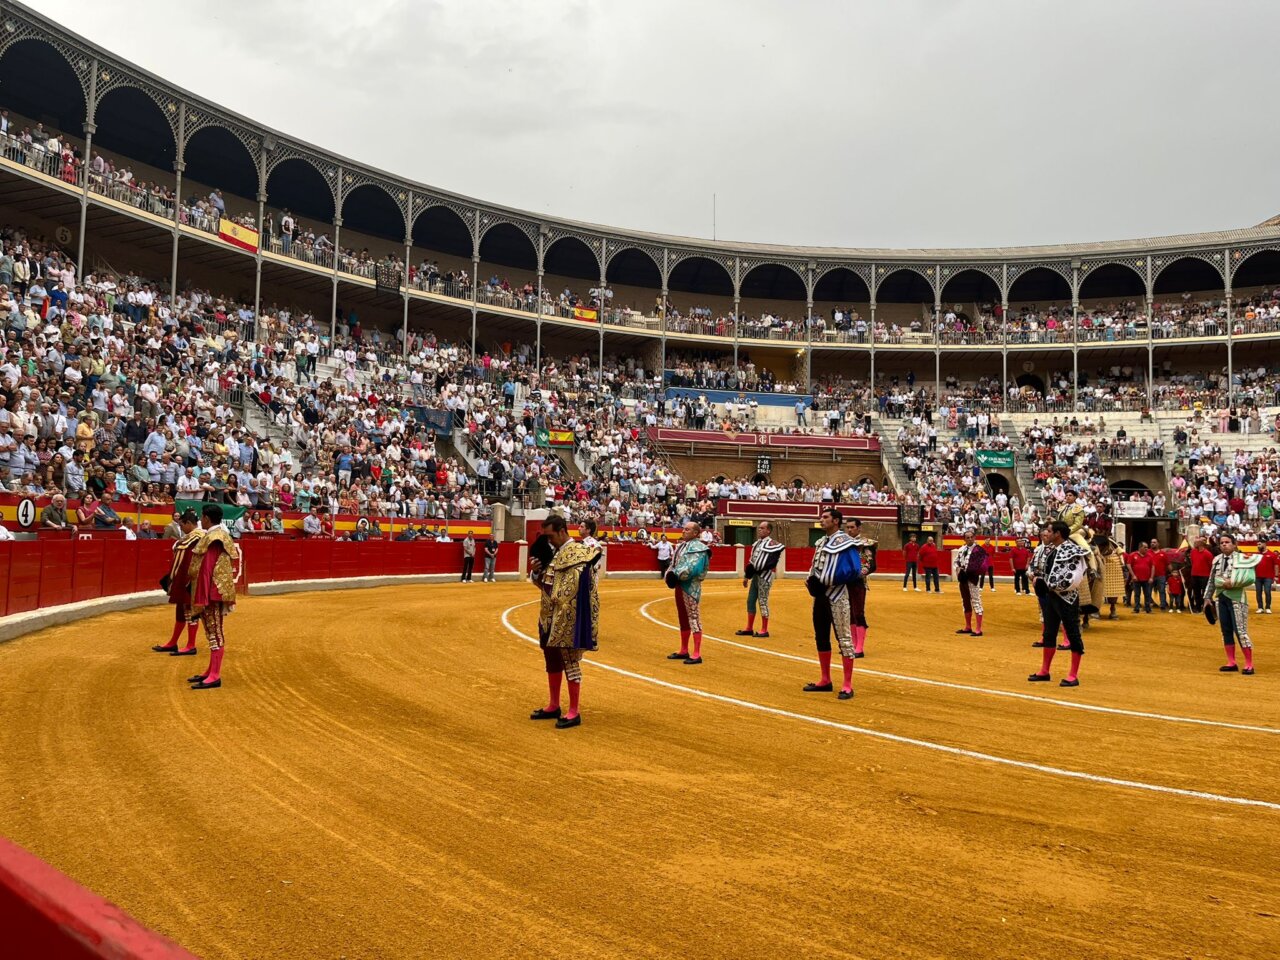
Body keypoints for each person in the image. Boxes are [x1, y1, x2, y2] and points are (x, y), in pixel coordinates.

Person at [529, 515, 600, 729]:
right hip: (549, 615)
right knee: (551, 660)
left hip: (570, 616)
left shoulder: (580, 554)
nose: (549, 540)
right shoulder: (556, 554)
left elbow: (573, 589)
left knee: (570, 663)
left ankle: (574, 711)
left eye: (551, 536)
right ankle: (553, 705)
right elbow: (545, 586)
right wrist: (536, 572)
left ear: (562, 531)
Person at [803, 507, 860, 700]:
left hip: (837, 595)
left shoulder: (846, 543)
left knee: (844, 639)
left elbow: (854, 570)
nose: (822, 519)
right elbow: (815, 565)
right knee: (821, 636)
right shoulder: (821, 542)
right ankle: (825, 679)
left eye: (825, 517)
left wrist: (828, 580)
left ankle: (847, 684)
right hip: (820, 597)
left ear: (836, 521)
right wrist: (811, 580)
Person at [1028, 520, 1090, 687]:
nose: (1047, 533)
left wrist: (1049, 585)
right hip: (1051, 597)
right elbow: (1045, 572)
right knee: (1049, 633)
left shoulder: (1073, 551)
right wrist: (1037, 579)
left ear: (1057, 534)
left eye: (1050, 531)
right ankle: (1045, 671)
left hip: (1067, 598)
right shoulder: (1051, 551)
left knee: (1073, 633)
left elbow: (1074, 578)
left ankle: (1073, 675)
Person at [187, 503, 241, 690]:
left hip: (211, 592)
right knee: (212, 632)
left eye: (202, 517)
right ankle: (210, 671)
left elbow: (206, 570)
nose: (201, 520)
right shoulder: (218, 536)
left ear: (207, 518)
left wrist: (201, 598)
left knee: (215, 633)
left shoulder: (213, 538)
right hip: (213, 590)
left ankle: (215, 675)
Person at [1207, 533, 1259, 675]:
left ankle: (1249, 664)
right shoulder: (1216, 560)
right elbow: (1212, 580)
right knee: (1226, 631)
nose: (1224, 544)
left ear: (1234, 544)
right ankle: (1232, 662)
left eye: (1227, 542)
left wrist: (1233, 583)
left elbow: (1250, 578)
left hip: (1237, 598)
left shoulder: (1243, 559)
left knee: (1240, 631)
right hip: (1220, 598)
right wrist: (1207, 597)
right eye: (1222, 542)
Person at [152, 510, 201, 655]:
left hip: (191, 581)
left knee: (191, 612)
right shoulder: (191, 537)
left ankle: (191, 645)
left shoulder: (198, 537)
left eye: (182, 526)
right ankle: (173, 642)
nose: (181, 529)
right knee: (181, 611)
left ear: (189, 523)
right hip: (183, 579)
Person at [665, 520, 710, 664]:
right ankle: (684, 650)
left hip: (691, 587)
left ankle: (697, 653)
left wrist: (675, 575)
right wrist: (669, 575)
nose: (683, 531)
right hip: (680, 585)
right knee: (683, 617)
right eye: (684, 529)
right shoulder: (681, 546)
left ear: (696, 533)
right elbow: (673, 564)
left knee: (693, 617)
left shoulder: (700, 548)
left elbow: (693, 568)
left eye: (687, 529)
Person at [737, 520, 783, 638]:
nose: (759, 530)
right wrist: (747, 577)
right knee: (750, 601)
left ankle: (764, 629)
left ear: (768, 530)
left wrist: (758, 568)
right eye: (759, 528)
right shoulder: (756, 544)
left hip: (765, 576)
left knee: (763, 601)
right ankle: (749, 628)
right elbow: (752, 561)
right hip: (756, 577)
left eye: (762, 528)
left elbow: (772, 563)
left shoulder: (773, 544)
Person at [845, 516, 877, 658]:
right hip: (844, 582)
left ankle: (860, 647)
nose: (850, 530)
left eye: (852, 527)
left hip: (858, 582)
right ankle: (853, 645)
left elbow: (871, 564)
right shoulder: (843, 543)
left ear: (859, 528)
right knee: (849, 613)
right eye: (848, 527)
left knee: (858, 613)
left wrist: (861, 572)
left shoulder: (866, 544)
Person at [954, 529, 988, 636]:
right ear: (964, 539)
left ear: (974, 538)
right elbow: (955, 562)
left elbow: (982, 566)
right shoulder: (961, 549)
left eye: (971, 537)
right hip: (963, 578)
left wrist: (968, 571)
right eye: (967, 537)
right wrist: (959, 569)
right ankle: (968, 626)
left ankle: (978, 629)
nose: (969, 539)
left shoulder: (979, 550)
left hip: (973, 579)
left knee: (976, 601)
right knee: (965, 601)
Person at [1125, 541, 1155, 614]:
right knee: (1137, 594)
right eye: (1145, 547)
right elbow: (1128, 565)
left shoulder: (1150, 556)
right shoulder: (1133, 555)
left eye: (1147, 547)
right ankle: (1137, 608)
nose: (1147, 549)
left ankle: (1148, 608)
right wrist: (1133, 575)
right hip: (1136, 578)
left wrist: (1151, 577)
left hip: (1147, 579)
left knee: (1147, 594)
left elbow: (1153, 567)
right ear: (1140, 547)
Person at [1188, 536, 1213, 613]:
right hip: (1194, 575)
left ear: (1201, 544)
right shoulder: (1193, 552)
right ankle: (1198, 607)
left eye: (1196, 542)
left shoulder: (1208, 554)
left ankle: (1205, 606)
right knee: (1196, 592)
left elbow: (1211, 566)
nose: (1194, 544)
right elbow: (1192, 562)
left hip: (1205, 576)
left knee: (1205, 592)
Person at [1148, 539, 1169, 611]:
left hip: (1161, 575)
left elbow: (1168, 564)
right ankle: (1148, 605)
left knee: (1162, 590)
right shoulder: (1147, 553)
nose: (1152, 544)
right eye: (1151, 542)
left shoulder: (1163, 554)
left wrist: (1172, 572)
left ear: (1158, 544)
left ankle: (1163, 605)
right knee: (1148, 590)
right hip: (1150, 576)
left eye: (1154, 542)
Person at [1254, 544, 1275, 615]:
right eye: (1257, 544)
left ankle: (1268, 607)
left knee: (1267, 591)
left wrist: (1276, 576)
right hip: (1257, 576)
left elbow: (1276, 565)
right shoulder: (1256, 555)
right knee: (1258, 592)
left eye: (1260, 544)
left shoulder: (1272, 554)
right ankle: (1260, 607)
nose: (1258, 546)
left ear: (1264, 545)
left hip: (1268, 577)